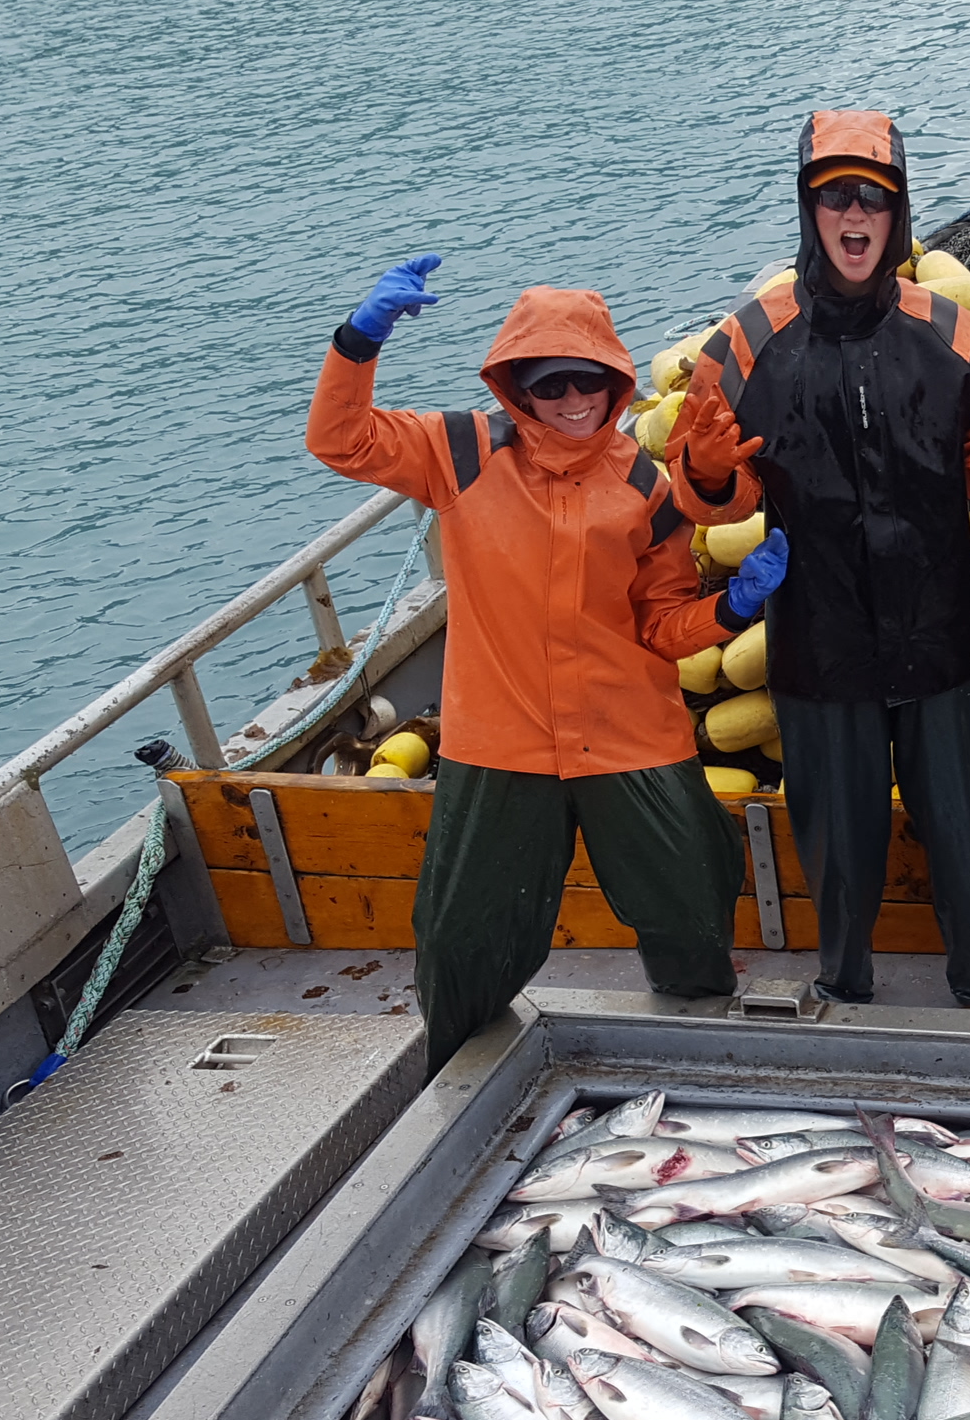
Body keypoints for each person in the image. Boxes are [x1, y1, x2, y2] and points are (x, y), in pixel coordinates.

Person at [308, 256, 773, 1067]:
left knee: (693, 893)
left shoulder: (645, 486)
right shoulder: (457, 452)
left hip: (629, 733)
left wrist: (731, 609)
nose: (572, 401)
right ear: (517, 386)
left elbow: (662, 627)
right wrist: (359, 340)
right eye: (550, 385)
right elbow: (338, 438)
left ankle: (700, 1049)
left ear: (615, 379)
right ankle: (454, 1068)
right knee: (460, 929)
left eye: (587, 381)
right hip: (502, 740)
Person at [667, 111, 970, 1008]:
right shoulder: (744, 340)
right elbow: (710, 502)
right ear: (808, 210)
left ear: (898, 211)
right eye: (834, 196)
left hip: (941, 631)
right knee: (836, 836)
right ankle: (843, 983)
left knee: (962, 824)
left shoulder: (956, 333)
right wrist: (705, 470)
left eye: (872, 199)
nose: (854, 216)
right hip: (818, 637)